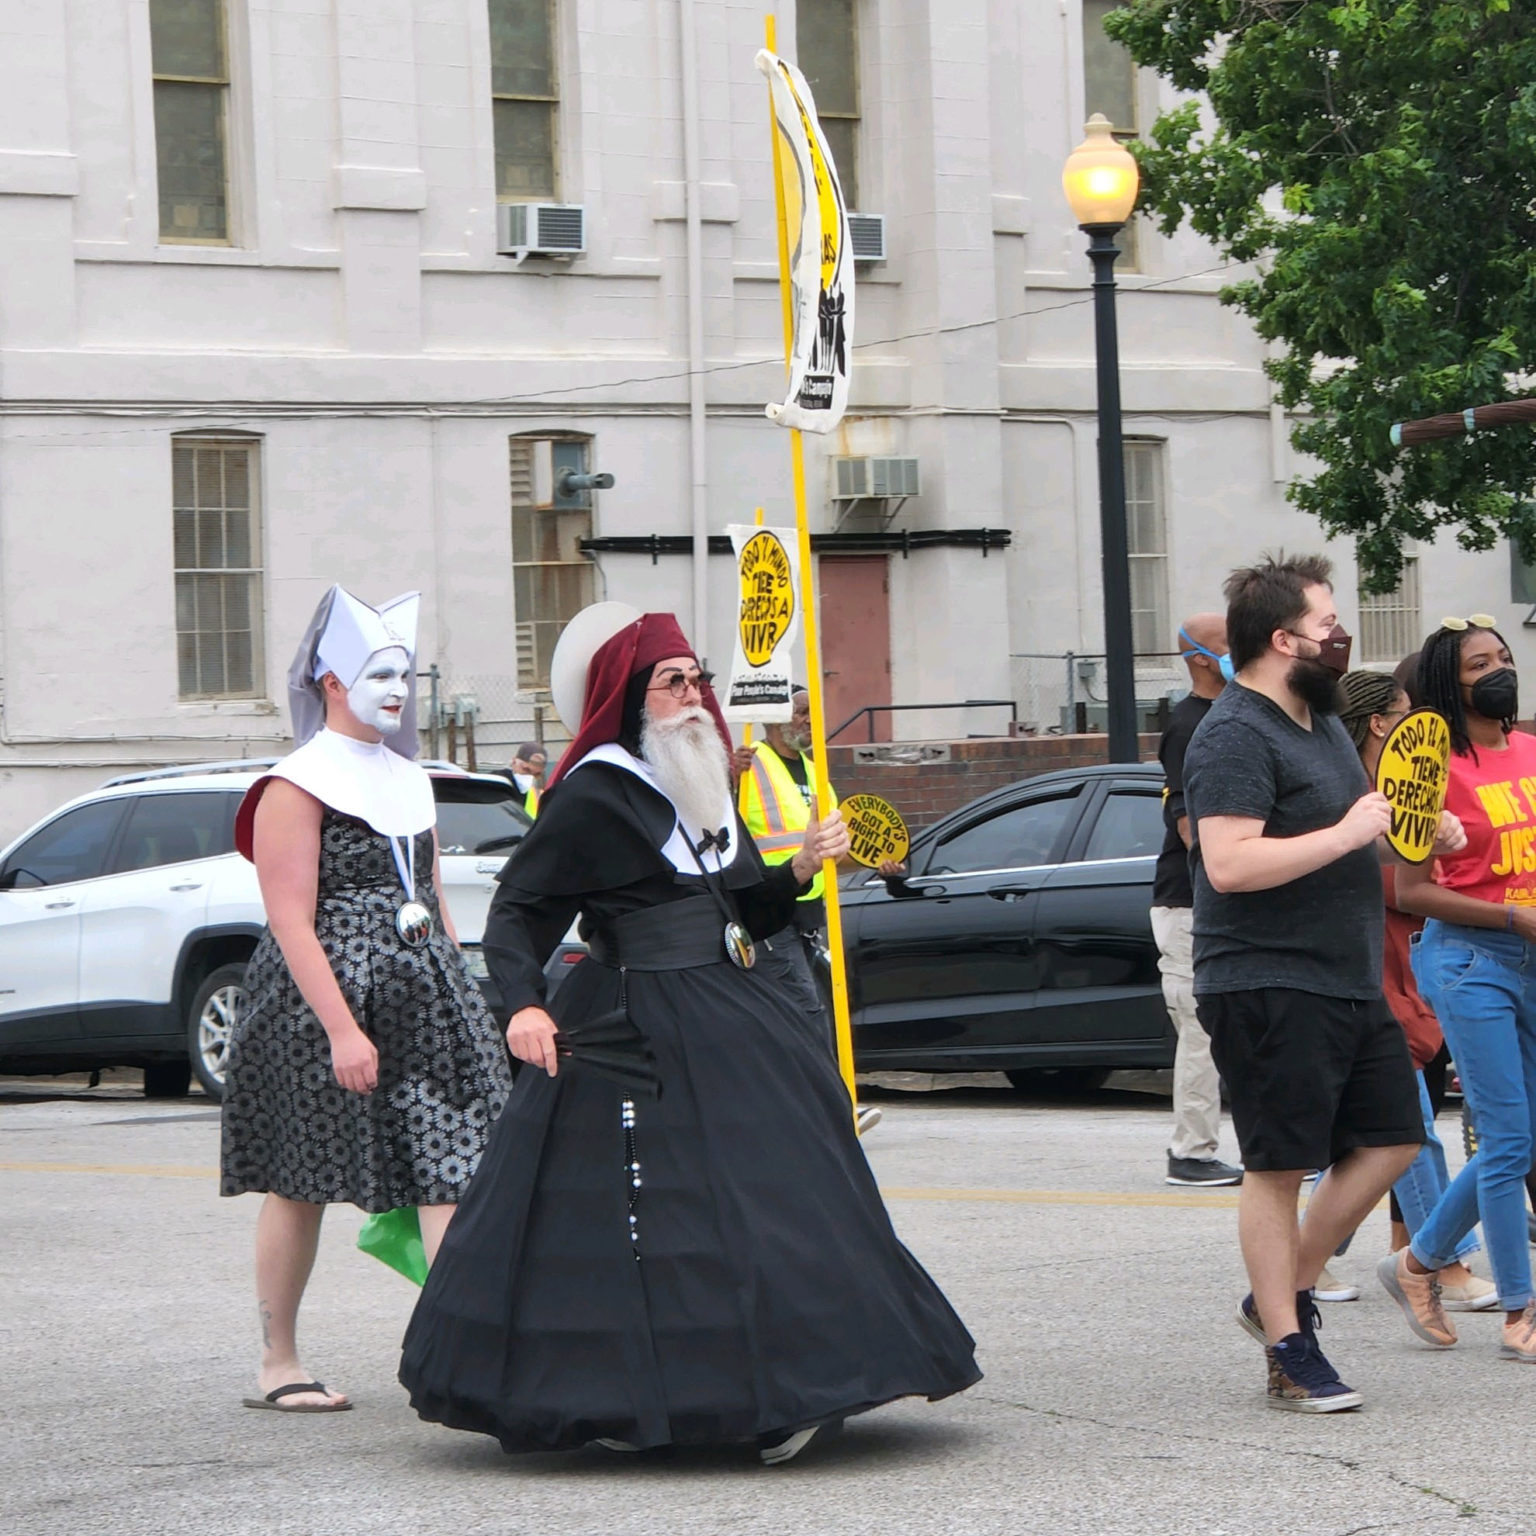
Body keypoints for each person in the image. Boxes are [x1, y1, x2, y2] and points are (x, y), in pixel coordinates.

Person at [399, 604, 981, 1461]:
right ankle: (640, 1394)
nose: (694, 696)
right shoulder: (594, 791)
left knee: (779, 1190)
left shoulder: (703, 781)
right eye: (672, 683)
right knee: (650, 1212)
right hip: (634, 1019)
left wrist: (804, 865)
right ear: (632, 700)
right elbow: (520, 907)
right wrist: (523, 1003)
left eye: (697, 678)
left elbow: (745, 910)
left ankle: (796, 1381)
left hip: (734, 1004)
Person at [220, 587, 514, 1413]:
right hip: (317, 1006)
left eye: (405, 675)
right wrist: (343, 1030)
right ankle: (278, 1360)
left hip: (424, 994)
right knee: (301, 1177)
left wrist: (464, 993)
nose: (398, 690)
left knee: (454, 1165)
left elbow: (432, 895)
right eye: (380, 674)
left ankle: (470, 1361)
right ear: (332, 682)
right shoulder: (295, 783)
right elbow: (290, 919)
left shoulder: (410, 779)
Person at [1184, 554, 1463, 1413]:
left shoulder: (1324, 720)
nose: (1340, 637)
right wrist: (1351, 833)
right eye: (1327, 623)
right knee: (1280, 1165)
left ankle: (1280, 1294)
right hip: (1265, 978)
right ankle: (1289, 1348)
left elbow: (1346, 833)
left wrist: (1416, 832)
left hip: (1344, 975)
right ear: (1282, 639)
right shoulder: (1234, 733)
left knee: (1394, 1140)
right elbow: (1230, 864)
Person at [1388, 617, 1536, 1361]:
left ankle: (1417, 1262)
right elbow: (1410, 890)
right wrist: (1512, 916)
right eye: (1479, 664)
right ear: (1449, 682)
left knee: (1524, 1136)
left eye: (1502, 657)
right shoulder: (1430, 767)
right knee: (1508, 1140)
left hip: (1531, 955)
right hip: (1471, 961)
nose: (1498, 670)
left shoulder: (1531, 750)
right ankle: (1520, 1311)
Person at [1332, 669, 1494, 1311]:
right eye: (1405, 714)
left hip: (1409, 970)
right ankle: (1440, 1263)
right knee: (1410, 1124)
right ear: (1379, 723)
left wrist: (1443, 839)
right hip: (1367, 972)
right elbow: (1393, 883)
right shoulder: (1350, 794)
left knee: (1380, 1131)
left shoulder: (1408, 789)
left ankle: (1301, 1252)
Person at [734, 686, 881, 1134]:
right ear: (775, 718)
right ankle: (833, 1106)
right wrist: (728, 775)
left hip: (810, 910)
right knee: (806, 1005)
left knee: (810, 1006)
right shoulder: (750, 763)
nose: (809, 720)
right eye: (800, 712)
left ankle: (791, 1108)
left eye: (813, 712)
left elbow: (835, 849)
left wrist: (876, 859)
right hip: (769, 907)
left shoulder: (817, 774)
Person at [1152, 613, 1243, 1187]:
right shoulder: (1188, 726)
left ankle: (1277, 1145)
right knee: (1200, 1027)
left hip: (1225, 896)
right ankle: (1191, 1152)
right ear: (1201, 658)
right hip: (1190, 902)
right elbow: (1191, 827)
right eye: (1229, 645)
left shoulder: (1237, 715)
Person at [504, 741, 546, 818]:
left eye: (536, 774)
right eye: (526, 769)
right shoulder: (497, 783)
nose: (530, 777)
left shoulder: (540, 798)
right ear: (514, 762)